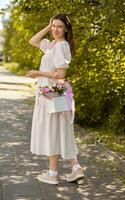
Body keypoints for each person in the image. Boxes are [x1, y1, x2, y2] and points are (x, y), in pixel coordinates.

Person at [26, 13, 84, 184]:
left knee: (53, 130)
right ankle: (75, 169)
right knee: (59, 130)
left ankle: (52, 174)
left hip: (53, 91)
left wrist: (38, 73)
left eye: (60, 26)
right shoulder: (52, 44)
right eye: (54, 26)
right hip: (50, 91)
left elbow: (60, 73)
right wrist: (48, 24)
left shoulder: (61, 46)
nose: (56, 29)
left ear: (66, 29)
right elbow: (33, 41)